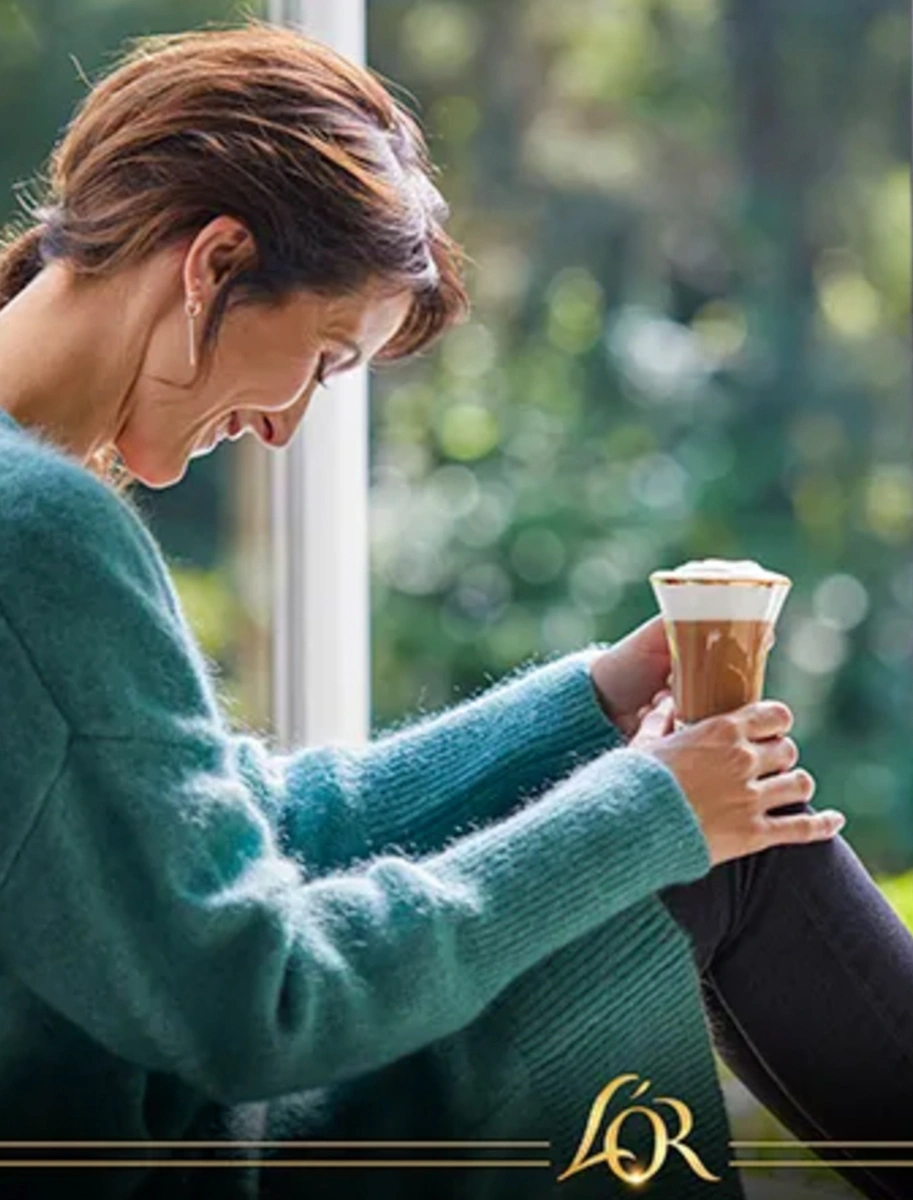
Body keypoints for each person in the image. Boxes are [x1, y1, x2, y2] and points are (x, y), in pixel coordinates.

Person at [0, 20, 911, 1200]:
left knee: (712, 838)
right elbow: (262, 1000)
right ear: (214, 262)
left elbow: (247, 825)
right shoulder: (40, 535)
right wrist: (646, 814)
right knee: (729, 860)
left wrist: (587, 709)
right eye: (326, 357)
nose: (285, 425)